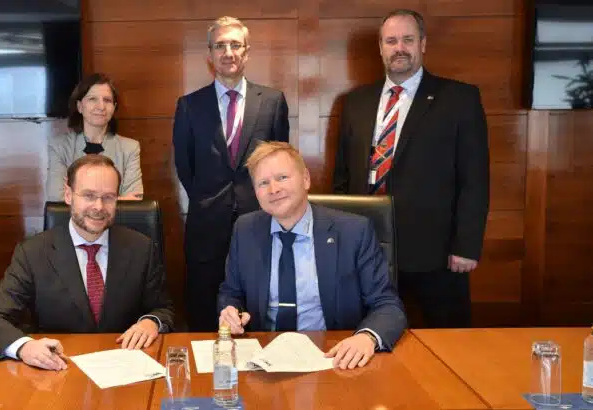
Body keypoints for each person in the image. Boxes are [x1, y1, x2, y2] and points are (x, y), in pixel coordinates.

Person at [333, 9, 489, 328]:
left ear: (423, 44)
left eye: (408, 39)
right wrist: (341, 239)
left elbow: (475, 179)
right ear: (381, 48)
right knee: (370, 337)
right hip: (368, 248)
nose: (399, 48)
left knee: (447, 344)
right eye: (391, 41)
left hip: (436, 254)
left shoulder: (459, 99)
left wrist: (466, 246)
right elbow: (343, 177)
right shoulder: (356, 102)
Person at [218, 142, 407, 370]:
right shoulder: (245, 229)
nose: (273, 189)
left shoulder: (353, 232)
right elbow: (231, 293)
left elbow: (387, 305)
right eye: (263, 183)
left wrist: (366, 337)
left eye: (282, 178)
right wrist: (231, 312)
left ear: (306, 179)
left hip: (332, 357)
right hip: (264, 360)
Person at [0, 155, 174, 370]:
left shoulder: (141, 248)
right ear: (68, 195)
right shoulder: (33, 253)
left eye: (108, 197)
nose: (99, 206)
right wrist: (25, 347)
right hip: (58, 369)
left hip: (126, 367)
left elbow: (164, 309)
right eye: (89, 195)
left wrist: (151, 322)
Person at [173, 16, 290, 331]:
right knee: (204, 314)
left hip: (260, 222)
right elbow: (185, 166)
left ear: (247, 52)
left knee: (257, 311)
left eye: (236, 45)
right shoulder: (189, 106)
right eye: (220, 46)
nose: (228, 52)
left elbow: (280, 163)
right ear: (210, 55)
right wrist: (210, 199)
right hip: (206, 226)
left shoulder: (273, 102)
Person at [47, 73, 143, 202]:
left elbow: (134, 202)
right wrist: (115, 199)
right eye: (92, 99)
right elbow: (57, 199)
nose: (101, 107)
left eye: (107, 100)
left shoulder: (129, 148)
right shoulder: (59, 147)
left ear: (114, 107)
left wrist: (78, 198)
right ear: (80, 106)